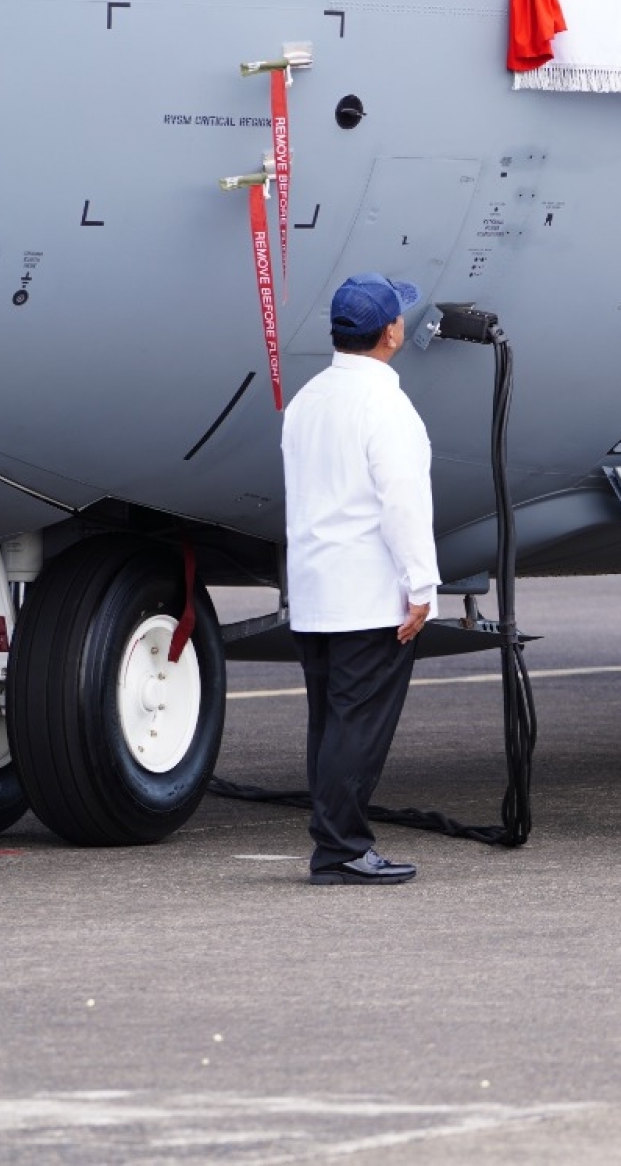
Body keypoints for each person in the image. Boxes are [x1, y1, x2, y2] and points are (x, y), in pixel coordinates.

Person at [282, 273, 438, 887]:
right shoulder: (387, 406)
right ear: (392, 333)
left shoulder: (308, 400)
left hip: (316, 590)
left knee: (328, 723)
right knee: (357, 726)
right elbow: (402, 501)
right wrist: (421, 585)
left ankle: (335, 842)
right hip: (369, 595)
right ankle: (342, 848)